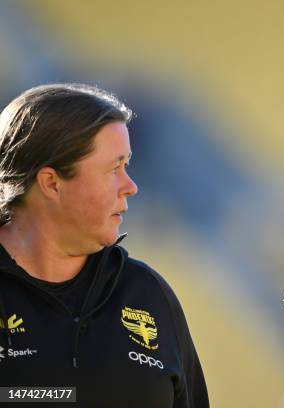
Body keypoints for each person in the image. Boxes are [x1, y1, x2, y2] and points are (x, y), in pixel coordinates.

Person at [0, 84, 209, 407]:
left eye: (127, 166)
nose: (131, 187)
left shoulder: (147, 293)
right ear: (51, 183)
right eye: (114, 169)